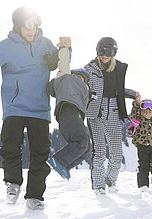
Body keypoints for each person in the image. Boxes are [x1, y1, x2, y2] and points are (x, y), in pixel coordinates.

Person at [0, 7, 70, 210]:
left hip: (40, 108)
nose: (31, 30)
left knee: (41, 154)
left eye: (34, 25)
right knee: (10, 146)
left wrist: (66, 48)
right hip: (14, 107)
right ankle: (13, 183)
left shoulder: (46, 44)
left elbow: (63, 65)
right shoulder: (6, 46)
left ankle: (34, 197)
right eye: (27, 26)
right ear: (18, 27)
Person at [84, 37, 140, 195]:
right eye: (102, 52)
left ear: (114, 53)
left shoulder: (117, 68)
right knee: (99, 151)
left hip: (114, 110)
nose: (105, 56)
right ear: (97, 52)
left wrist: (133, 94)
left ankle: (110, 180)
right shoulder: (90, 68)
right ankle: (99, 186)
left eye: (108, 52)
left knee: (117, 152)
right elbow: (81, 84)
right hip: (96, 111)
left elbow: (119, 89)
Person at [46, 45, 90, 180]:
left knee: (86, 147)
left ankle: (64, 166)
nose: (81, 80)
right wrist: (65, 47)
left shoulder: (85, 92)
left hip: (75, 115)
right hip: (68, 110)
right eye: (80, 76)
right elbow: (64, 62)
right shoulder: (66, 77)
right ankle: (58, 160)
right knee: (82, 141)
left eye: (84, 79)